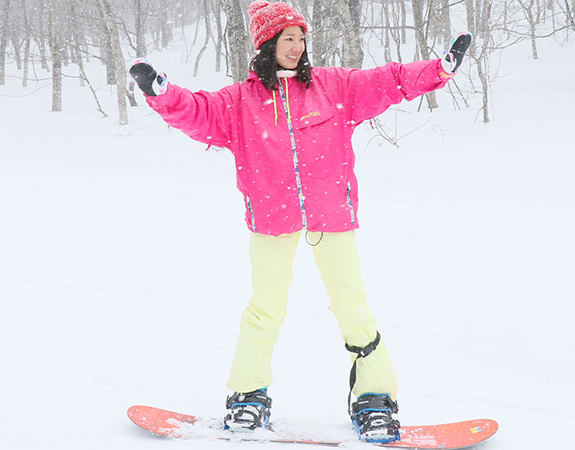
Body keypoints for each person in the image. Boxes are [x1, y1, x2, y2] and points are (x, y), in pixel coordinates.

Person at [129, 0, 471, 443]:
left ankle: (374, 400)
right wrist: (160, 93)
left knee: (354, 310)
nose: (297, 46)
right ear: (266, 45)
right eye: (287, 38)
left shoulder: (334, 86)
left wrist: (438, 70)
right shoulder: (240, 101)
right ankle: (248, 398)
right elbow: (196, 111)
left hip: (332, 215)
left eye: (301, 38)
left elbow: (390, 82)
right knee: (264, 311)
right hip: (272, 218)